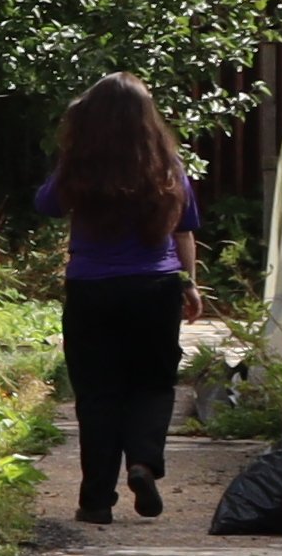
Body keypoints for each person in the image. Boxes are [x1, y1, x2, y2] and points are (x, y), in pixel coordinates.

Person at [38, 76, 198, 526]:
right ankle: (144, 463)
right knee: (152, 382)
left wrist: (71, 162)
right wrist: (188, 283)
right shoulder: (168, 166)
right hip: (156, 288)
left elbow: (46, 205)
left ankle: (96, 501)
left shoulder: (80, 166)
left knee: (97, 392)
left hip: (93, 290)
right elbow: (184, 230)